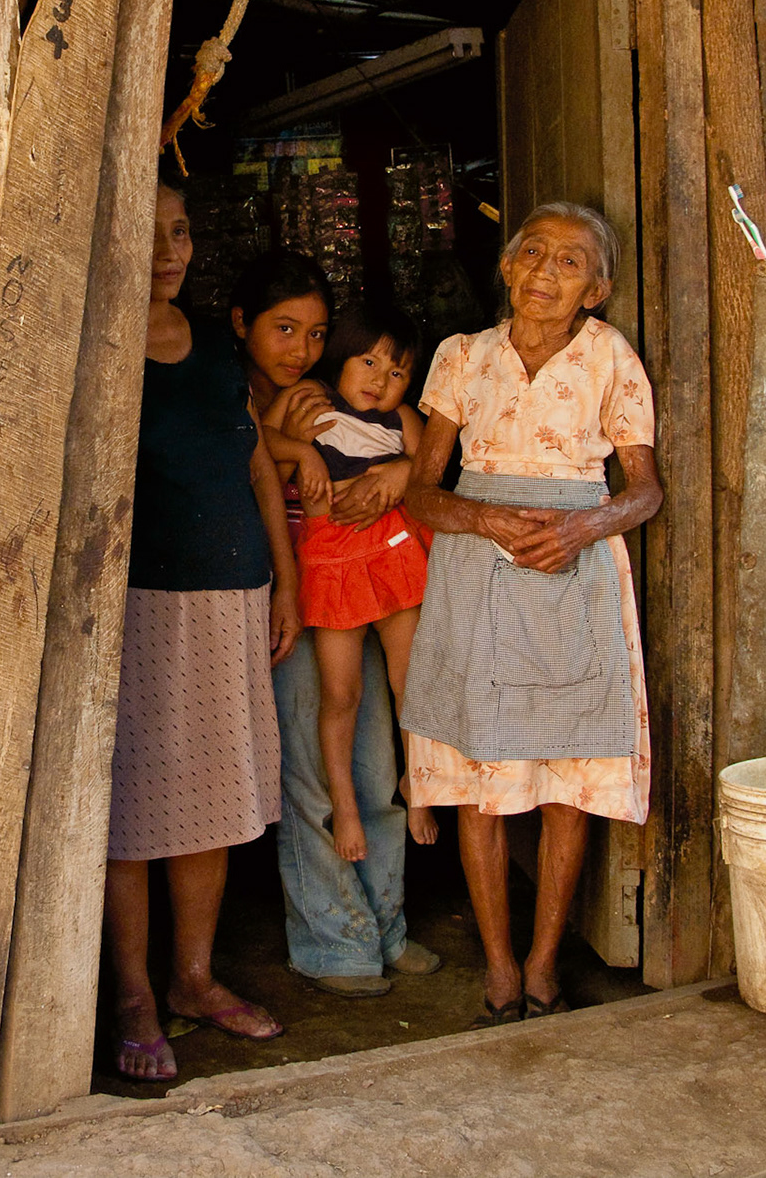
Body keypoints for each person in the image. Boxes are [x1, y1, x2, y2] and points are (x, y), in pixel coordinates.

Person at [400, 201, 662, 1026]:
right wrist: (481, 517)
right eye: (534, 255)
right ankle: (501, 972)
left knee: (565, 781)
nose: (546, 272)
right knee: (483, 781)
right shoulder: (463, 357)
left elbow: (646, 488)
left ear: (599, 288)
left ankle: (546, 968)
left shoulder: (609, 357)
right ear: (508, 268)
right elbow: (421, 489)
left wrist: (586, 524)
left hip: (571, 567)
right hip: (479, 571)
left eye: (571, 261)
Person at [105, 179, 300, 1082]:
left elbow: (259, 469)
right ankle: (135, 993)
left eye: (179, 232)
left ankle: (193, 978)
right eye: (147, 234)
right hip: (138, 600)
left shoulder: (220, 352)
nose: (168, 251)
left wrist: (283, 584)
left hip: (230, 593)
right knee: (133, 804)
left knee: (212, 794)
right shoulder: (96, 345)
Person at [231, 254, 441, 999]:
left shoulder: (342, 402)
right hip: (301, 596)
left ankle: (385, 924)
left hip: (366, 586)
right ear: (241, 326)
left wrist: (396, 477)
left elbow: (420, 457)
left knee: (376, 764)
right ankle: (334, 940)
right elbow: (258, 470)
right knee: (315, 776)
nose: (301, 349)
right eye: (284, 329)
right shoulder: (266, 405)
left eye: (317, 333)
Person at [262, 305, 436, 857]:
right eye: (368, 362)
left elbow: (435, 463)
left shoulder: (403, 419)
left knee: (412, 680)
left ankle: (420, 783)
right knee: (341, 695)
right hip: (330, 559)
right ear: (341, 355)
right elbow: (256, 443)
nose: (380, 381)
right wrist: (303, 452)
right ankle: (348, 808)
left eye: (397, 372)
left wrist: (404, 471)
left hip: (390, 551)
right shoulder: (308, 396)